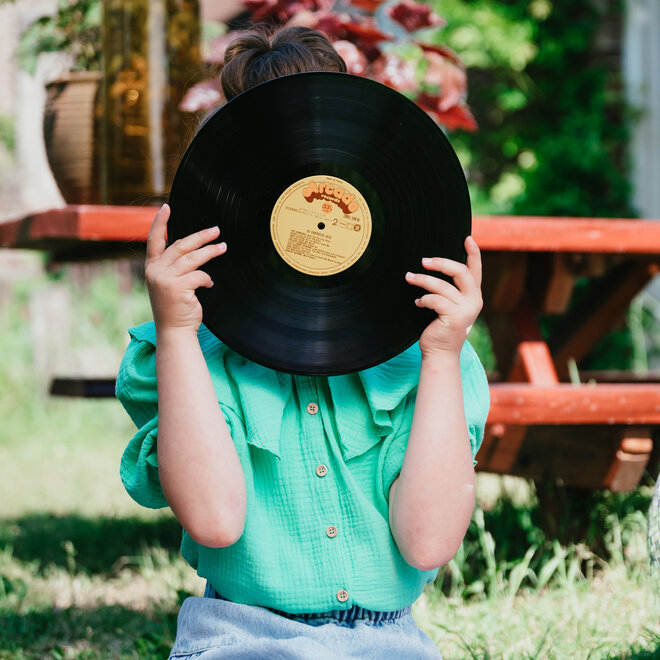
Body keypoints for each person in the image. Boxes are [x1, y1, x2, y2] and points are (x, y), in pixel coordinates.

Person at [117, 25, 490, 660]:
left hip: (390, 643)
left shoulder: (428, 353)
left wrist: (442, 356)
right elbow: (214, 520)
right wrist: (179, 333)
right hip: (239, 638)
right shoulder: (185, 353)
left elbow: (427, 544)